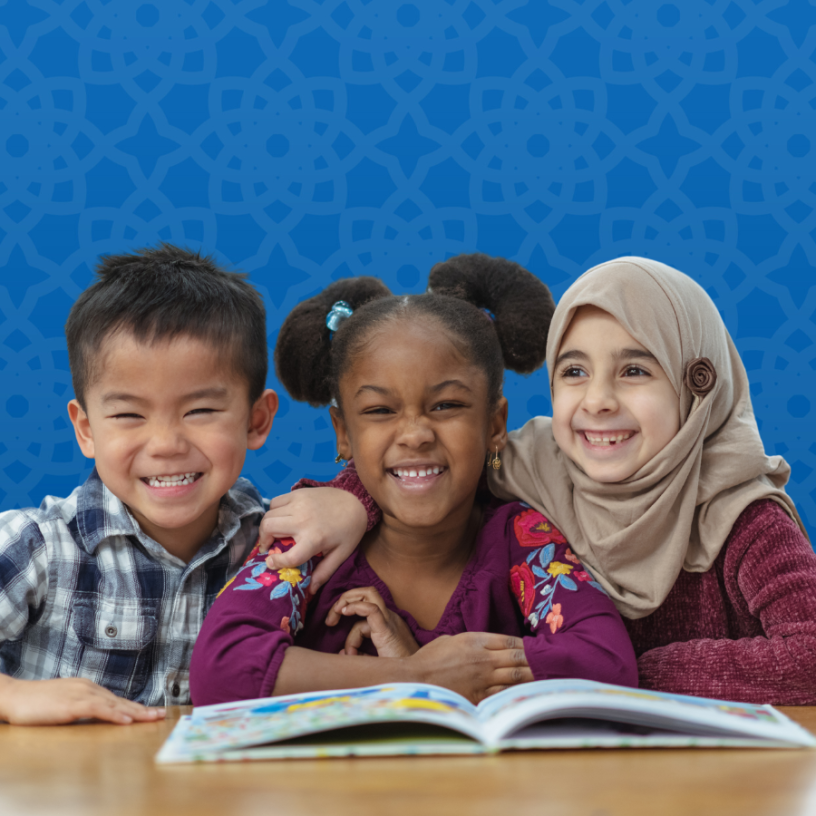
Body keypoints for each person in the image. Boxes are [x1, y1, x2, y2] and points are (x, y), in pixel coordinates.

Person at [263, 255, 816, 705]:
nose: (597, 401)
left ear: (698, 389)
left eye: (636, 370)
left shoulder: (740, 514)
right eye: (574, 371)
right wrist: (350, 502)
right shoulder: (532, 469)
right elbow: (424, 474)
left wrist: (631, 673)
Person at [189, 264, 637, 706]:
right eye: (380, 411)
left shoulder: (524, 538)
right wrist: (413, 675)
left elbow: (606, 663)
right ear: (343, 433)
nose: (415, 434)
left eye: (446, 405)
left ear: (495, 424)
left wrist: (451, 671)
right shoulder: (309, 540)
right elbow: (221, 671)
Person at [0, 244, 281, 725]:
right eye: (129, 414)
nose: (166, 443)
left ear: (256, 420)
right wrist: (12, 697)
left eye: (200, 411)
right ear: (86, 429)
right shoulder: (37, 545)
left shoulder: (279, 545)